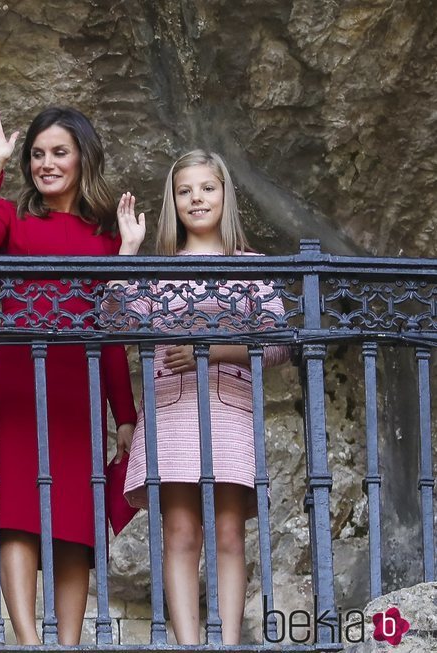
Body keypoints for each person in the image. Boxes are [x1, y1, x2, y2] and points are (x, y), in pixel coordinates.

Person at [0, 107, 138, 645]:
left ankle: (67, 644)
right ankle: (28, 641)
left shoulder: (107, 237)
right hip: (18, 382)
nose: (46, 163)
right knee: (18, 510)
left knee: (74, 522)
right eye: (37, 154)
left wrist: (125, 416)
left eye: (59, 152)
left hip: (75, 389)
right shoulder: (14, 218)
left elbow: (111, 331)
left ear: (83, 156)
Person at [110, 149, 290, 644]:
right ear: (173, 200)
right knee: (182, 534)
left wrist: (211, 349)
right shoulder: (158, 267)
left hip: (230, 411)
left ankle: (228, 641)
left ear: (225, 195)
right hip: (171, 411)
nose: (197, 198)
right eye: (184, 190)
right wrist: (128, 252)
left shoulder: (251, 266)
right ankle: (188, 643)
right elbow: (118, 322)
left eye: (207, 188)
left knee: (230, 535)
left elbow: (277, 344)